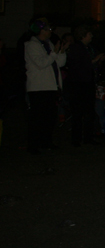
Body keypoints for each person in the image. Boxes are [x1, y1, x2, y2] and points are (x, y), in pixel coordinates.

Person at [25, 18, 69, 154]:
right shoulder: (31, 45)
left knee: (50, 118)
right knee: (37, 118)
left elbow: (59, 63)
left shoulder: (48, 43)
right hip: (39, 87)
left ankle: (46, 142)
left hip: (51, 86)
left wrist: (61, 52)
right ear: (41, 31)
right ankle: (33, 146)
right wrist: (54, 53)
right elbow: (41, 63)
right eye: (48, 29)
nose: (51, 32)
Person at [65, 25, 105, 147]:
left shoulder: (89, 48)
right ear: (83, 35)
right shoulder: (76, 48)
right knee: (78, 112)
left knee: (89, 111)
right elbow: (79, 65)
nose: (91, 36)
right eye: (89, 34)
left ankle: (88, 137)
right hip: (78, 84)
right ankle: (76, 139)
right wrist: (94, 60)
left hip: (88, 83)